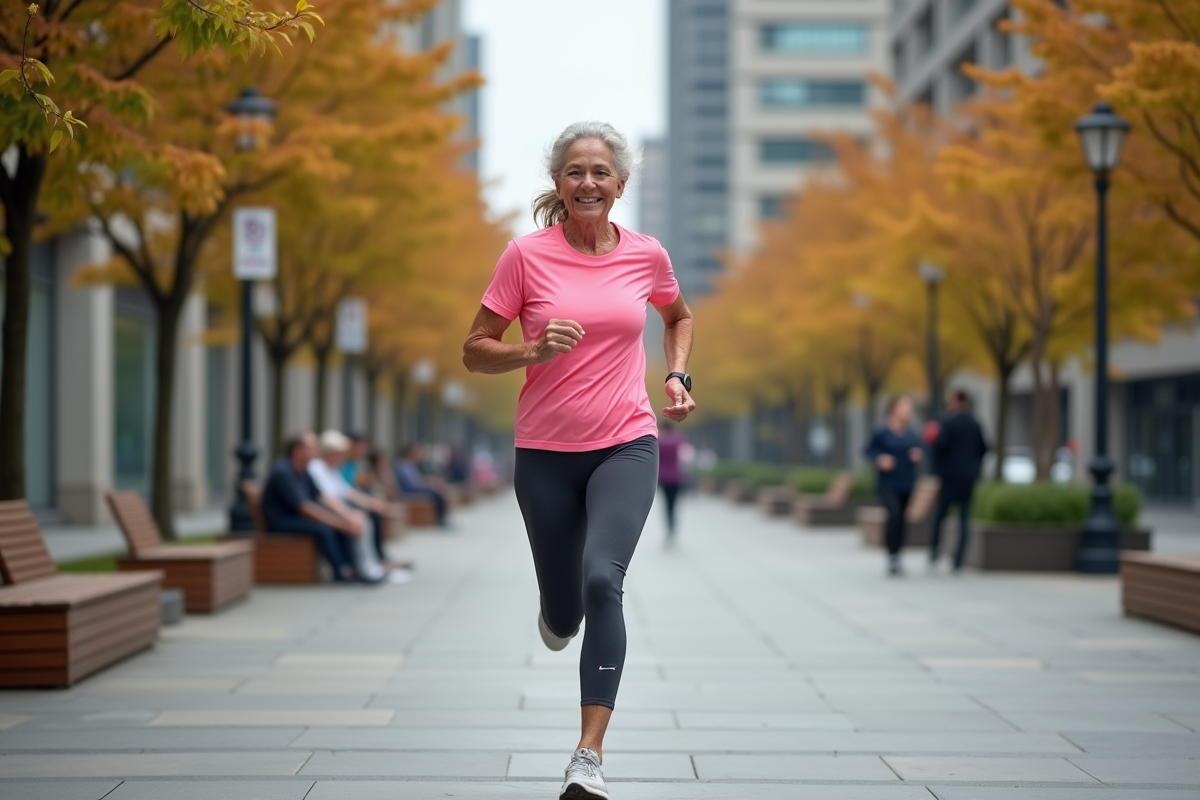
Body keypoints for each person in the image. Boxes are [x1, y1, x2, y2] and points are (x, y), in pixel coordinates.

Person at [463, 121, 695, 800]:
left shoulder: (647, 254)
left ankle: (587, 758)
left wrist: (679, 377)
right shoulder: (525, 257)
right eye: (574, 172)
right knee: (565, 613)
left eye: (600, 172)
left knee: (603, 581)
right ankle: (556, 614)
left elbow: (679, 317)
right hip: (544, 453)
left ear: (620, 184)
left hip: (626, 440)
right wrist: (531, 352)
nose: (587, 182)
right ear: (558, 185)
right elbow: (475, 348)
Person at [260, 431, 361, 583]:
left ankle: (351, 570)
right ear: (297, 451)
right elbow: (304, 507)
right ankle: (340, 573)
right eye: (312, 448)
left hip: (297, 517)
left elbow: (321, 497)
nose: (317, 451)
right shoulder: (283, 471)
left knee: (339, 525)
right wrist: (338, 523)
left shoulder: (303, 470)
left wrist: (345, 517)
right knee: (326, 529)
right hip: (281, 521)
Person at [929, 388, 990, 571]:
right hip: (968, 477)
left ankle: (934, 552)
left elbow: (939, 447)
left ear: (955, 402)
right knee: (964, 518)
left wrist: (937, 469)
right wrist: (974, 466)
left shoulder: (947, 423)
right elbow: (984, 448)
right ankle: (958, 559)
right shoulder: (975, 423)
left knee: (940, 515)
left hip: (949, 478)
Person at [864, 397, 924, 576]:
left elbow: (921, 450)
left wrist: (917, 455)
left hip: (906, 482)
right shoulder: (882, 432)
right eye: (905, 408)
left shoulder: (912, 433)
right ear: (894, 410)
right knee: (894, 515)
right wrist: (880, 459)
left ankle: (898, 555)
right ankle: (891, 555)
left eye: (909, 409)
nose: (908, 412)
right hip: (887, 483)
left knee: (902, 519)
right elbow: (868, 450)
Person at [393, 442, 450, 528]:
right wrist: (428, 486)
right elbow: (410, 485)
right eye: (415, 452)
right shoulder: (403, 465)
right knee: (435, 494)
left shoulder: (411, 464)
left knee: (438, 492)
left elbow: (418, 479)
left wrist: (430, 482)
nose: (417, 455)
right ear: (409, 453)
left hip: (414, 488)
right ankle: (440, 520)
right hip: (408, 491)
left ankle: (442, 518)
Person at [657, 419, 689, 542]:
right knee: (674, 503)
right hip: (677, 476)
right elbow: (685, 458)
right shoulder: (680, 440)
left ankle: (669, 528)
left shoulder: (660, 441)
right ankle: (673, 526)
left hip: (664, 477)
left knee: (666, 503)